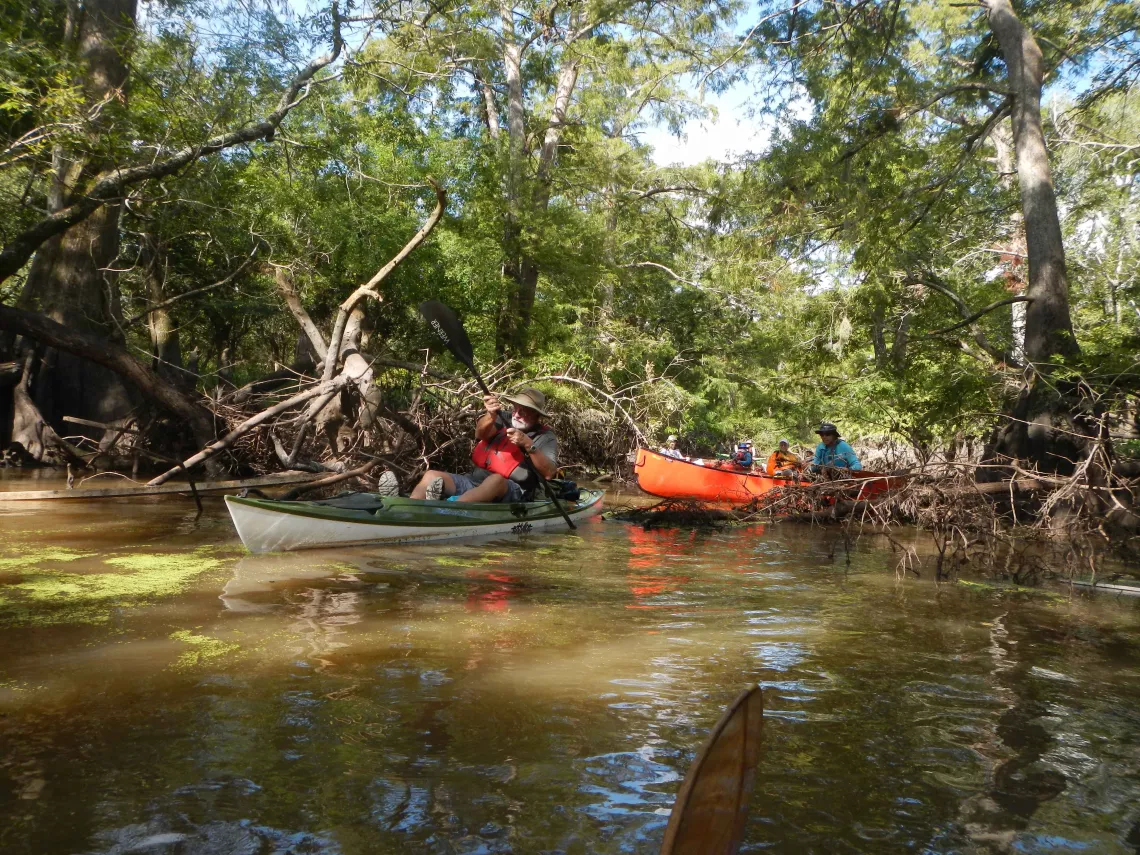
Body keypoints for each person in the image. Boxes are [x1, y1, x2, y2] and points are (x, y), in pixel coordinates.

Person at [411, 387, 559, 503]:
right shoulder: (503, 418)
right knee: (431, 475)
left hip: (513, 491)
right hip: (474, 481)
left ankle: (451, 510)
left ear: (537, 415)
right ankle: (409, 509)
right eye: (516, 408)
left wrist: (528, 444)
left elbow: (549, 472)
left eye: (524, 412)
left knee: (495, 480)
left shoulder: (546, 437)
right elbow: (480, 434)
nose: (517, 414)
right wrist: (491, 415)